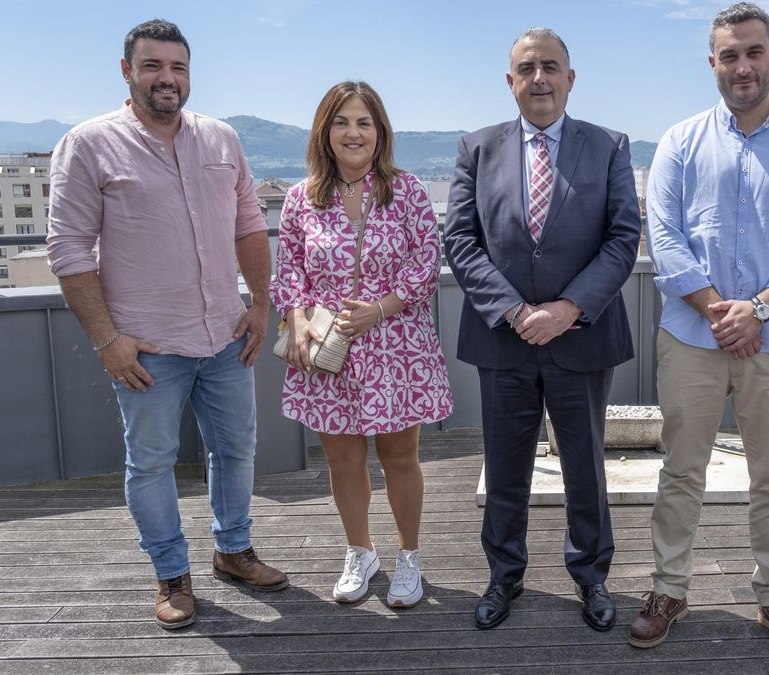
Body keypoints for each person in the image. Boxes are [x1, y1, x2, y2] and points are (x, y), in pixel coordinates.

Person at [45, 19, 287, 630]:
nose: (167, 78)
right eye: (153, 66)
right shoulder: (89, 144)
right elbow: (70, 250)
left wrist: (260, 303)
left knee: (235, 450)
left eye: (178, 67)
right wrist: (107, 339)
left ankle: (233, 551)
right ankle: (171, 575)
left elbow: (248, 227)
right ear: (125, 70)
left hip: (226, 337)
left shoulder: (221, 139)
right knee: (150, 463)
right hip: (147, 348)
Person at [630, 3, 769, 662]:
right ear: (712, 63)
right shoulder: (679, 142)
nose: (742, 66)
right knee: (680, 472)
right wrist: (726, 309)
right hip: (692, 336)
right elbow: (663, 238)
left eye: (753, 51)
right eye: (729, 55)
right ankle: (669, 589)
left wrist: (761, 309)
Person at [443, 27, 641, 632]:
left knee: (586, 467)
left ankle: (592, 578)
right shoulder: (476, 148)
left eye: (550, 67)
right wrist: (513, 310)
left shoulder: (608, 146)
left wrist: (567, 309)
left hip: (580, 336)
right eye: (526, 68)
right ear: (510, 81)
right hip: (504, 340)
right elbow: (459, 239)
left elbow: (622, 236)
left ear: (570, 78)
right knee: (505, 466)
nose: (539, 79)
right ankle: (504, 576)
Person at [270, 81, 453, 607]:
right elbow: (292, 272)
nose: (353, 133)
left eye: (364, 122)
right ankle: (360, 550)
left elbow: (426, 264)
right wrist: (298, 318)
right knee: (342, 460)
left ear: (380, 132)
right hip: (328, 349)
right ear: (325, 131)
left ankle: (409, 557)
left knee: (401, 456)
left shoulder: (408, 189)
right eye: (342, 122)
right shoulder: (303, 198)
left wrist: (381, 308)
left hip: (397, 346)